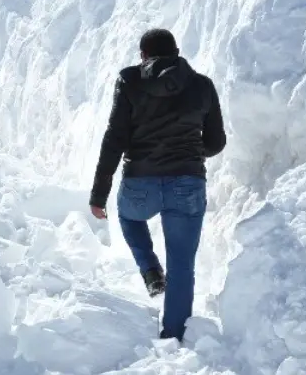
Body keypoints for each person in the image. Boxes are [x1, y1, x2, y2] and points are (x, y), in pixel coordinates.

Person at [88, 28, 226, 342]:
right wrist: (189, 152)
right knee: (182, 265)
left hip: (140, 183)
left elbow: (115, 139)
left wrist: (99, 194)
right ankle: (174, 337)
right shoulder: (202, 85)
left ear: (143, 56)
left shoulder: (130, 81)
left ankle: (150, 269)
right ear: (177, 52)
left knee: (128, 217)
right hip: (187, 185)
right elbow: (216, 142)